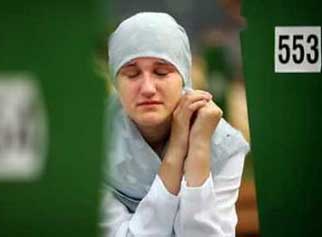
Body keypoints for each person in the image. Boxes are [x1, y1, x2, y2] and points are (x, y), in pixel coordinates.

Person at [99, 12, 250, 237]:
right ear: (115, 82)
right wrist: (178, 148)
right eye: (131, 74)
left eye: (161, 72)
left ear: (184, 77)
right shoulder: (95, 141)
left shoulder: (221, 144)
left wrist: (199, 147)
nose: (148, 88)